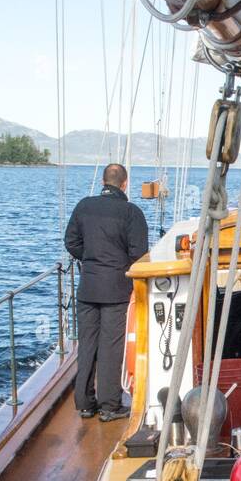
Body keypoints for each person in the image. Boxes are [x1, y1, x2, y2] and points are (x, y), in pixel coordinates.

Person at [65, 163, 150, 422]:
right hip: (115, 288)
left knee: (87, 344)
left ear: (104, 181)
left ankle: (85, 403)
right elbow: (139, 253)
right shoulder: (131, 213)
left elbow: (71, 242)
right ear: (124, 184)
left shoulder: (83, 206)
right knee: (111, 347)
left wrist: (90, 259)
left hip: (88, 286)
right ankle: (110, 406)